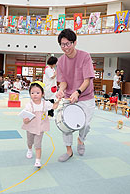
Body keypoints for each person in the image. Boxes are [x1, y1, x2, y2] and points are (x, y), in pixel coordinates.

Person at [55, 29, 96, 162]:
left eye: (68, 44)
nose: (65, 47)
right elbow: (63, 82)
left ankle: (81, 140)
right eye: (62, 44)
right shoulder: (60, 61)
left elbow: (87, 79)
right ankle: (69, 151)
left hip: (86, 96)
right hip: (69, 97)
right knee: (65, 125)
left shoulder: (85, 56)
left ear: (75, 42)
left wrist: (77, 92)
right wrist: (61, 90)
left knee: (85, 125)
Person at [22, 81, 59, 168]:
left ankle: (38, 160)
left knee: (38, 144)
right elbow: (25, 120)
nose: (35, 95)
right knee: (30, 141)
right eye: (32, 93)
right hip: (30, 127)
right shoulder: (29, 105)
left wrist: (58, 100)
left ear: (42, 94)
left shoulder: (45, 104)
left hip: (40, 127)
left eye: (38, 93)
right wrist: (26, 120)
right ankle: (30, 149)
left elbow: (54, 106)